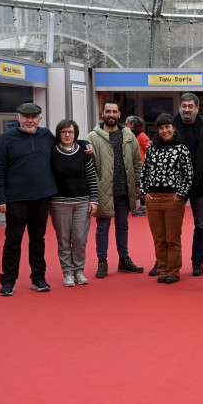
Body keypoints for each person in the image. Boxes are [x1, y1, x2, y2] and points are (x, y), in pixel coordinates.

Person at [0, 103, 61, 295]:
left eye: (34, 117)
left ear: (40, 118)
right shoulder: (5, 139)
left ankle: (38, 278)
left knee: (38, 240)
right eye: (25, 117)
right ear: (19, 118)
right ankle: (8, 281)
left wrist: (82, 145)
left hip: (42, 198)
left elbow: (65, 147)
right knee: (13, 240)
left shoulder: (47, 136)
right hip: (16, 200)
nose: (30, 120)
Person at [89, 100, 143, 278]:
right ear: (102, 113)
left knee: (123, 225)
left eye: (114, 112)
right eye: (108, 111)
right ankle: (102, 262)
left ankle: (124, 260)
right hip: (104, 190)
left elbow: (136, 161)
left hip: (124, 190)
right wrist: (94, 191)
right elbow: (89, 166)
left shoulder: (128, 135)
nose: (111, 115)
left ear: (120, 114)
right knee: (102, 227)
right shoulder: (93, 137)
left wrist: (137, 185)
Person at [141, 113, 194, 284]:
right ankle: (162, 268)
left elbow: (188, 175)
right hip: (153, 199)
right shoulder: (151, 148)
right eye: (161, 128)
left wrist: (180, 195)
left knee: (172, 238)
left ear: (174, 128)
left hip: (173, 199)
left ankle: (173, 271)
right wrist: (145, 192)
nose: (165, 131)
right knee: (159, 238)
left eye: (168, 127)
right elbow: (145, 171)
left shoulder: (181, 148)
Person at [174, 93, 203, 277]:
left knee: (201, 225)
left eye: (190, 106)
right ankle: (165, 261)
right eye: (184, 106)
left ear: (197, 109)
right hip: (175, 185)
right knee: (170, 226)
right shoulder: (170, 126)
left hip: (199, 185)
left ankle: (198, 262)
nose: (186, 109)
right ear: (179, 107)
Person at [49, 119, 98, 287]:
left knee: (79, 239)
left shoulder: (84, 152)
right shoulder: (51, 152)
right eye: (64, 132)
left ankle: (79, 270)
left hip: (82, 202)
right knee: (63, 240)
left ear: (75, 134)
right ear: (59, 134)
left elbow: (92, 178)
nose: (67, 135)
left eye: (70, 132)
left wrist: (94, 200)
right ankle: (68, 273)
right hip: (59, 203)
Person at [127, 116, 149, 216]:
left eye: (127, 124)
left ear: (132, 125)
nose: (125, 126)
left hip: (141, 166)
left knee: (140, 187)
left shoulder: (141, 136)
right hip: (134, 165)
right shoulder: (132, 136)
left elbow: (149, 150)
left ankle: (143, 207)